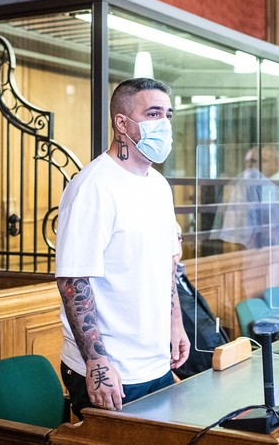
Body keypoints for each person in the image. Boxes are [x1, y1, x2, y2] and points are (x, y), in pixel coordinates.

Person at [55, 78, 189, 420]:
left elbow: (166, 265)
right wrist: (97, 363)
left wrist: (176, 324)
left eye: (168, 114)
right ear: (121, 123)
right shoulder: (93, 187)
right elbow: (74, 283)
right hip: (109, 370)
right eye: (154, 113)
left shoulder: (159, 186)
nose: (165, 124)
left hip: (155, 362)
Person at [173, 224, 229, 379]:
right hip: (190, 374)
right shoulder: (155, 283)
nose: (175, 245)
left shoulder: (180, 275)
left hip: (215, 363)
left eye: (178, 238)